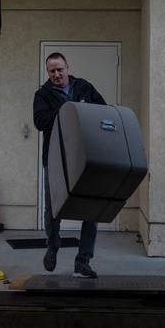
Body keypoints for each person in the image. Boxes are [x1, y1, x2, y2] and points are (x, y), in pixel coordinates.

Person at [33, 52, 106, 278]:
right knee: (53, 210)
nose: (56, 74)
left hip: (86, 158)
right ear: (48, 73)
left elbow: (102, 110)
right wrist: (68, 110)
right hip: (55, 159)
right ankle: (52, 248)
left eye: (59, 69)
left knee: (91, 210)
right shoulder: (42, 94)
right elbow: (40, 121)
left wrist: (84, 109)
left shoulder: (84, 86)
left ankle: (83, 262)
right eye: (52, 71)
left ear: (67, 67)